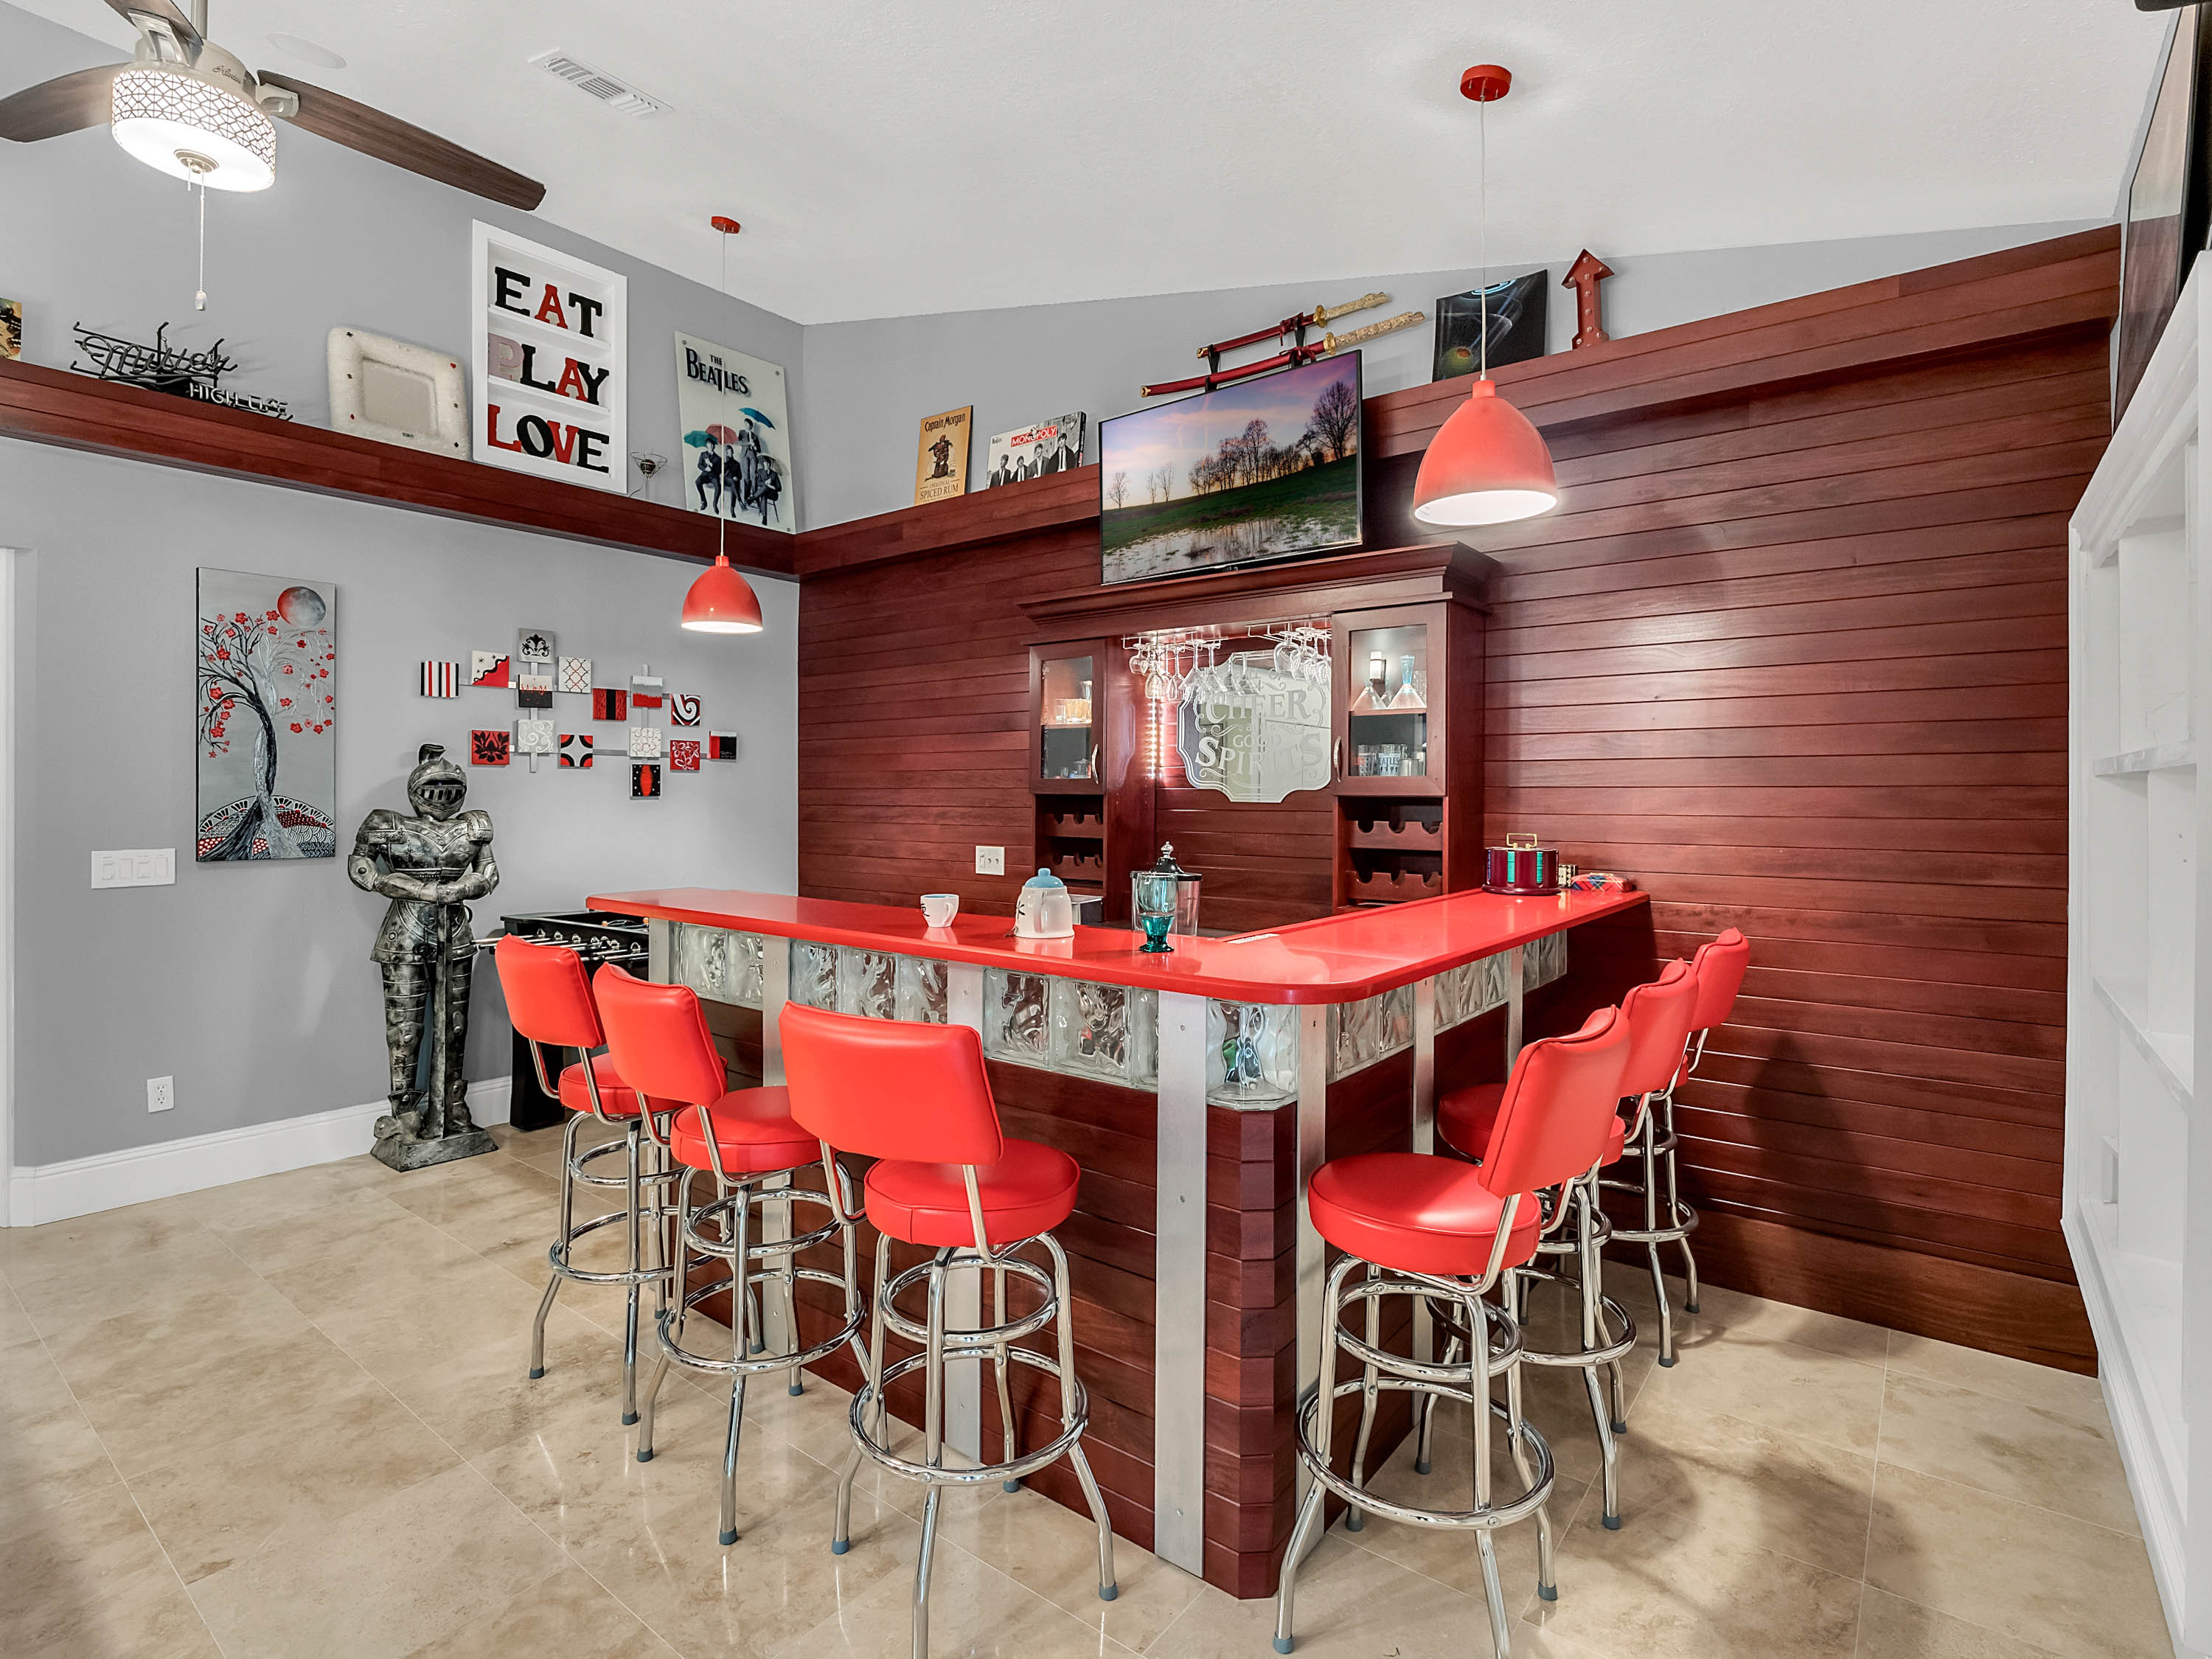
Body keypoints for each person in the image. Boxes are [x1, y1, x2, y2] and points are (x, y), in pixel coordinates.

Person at [695, 443, 723, 514]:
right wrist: (705, 469)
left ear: (714, 446)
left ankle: (715, 504)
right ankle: (704, 501)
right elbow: (699, 465)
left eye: (712, 445)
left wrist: (711, 465)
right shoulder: (703, 454)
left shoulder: (718, 458)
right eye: (709, 444)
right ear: (707, 446)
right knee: (697, 481)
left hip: (713, 476)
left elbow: (720, 471)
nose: (711, 446)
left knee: (718, 486)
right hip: (705, 475)